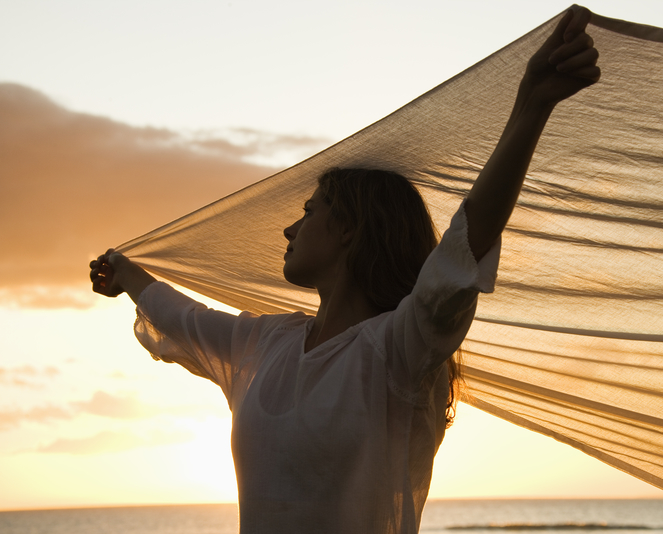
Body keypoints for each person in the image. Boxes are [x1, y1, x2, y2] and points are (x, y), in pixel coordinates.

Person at [89, 7, 600, 533]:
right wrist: (125, 273)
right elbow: (183, 316)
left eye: (309, 213)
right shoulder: (265, 344)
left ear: (351, 229)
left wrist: (532, 104)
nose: (290, 230)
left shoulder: (397, 350)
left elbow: (465, 248)